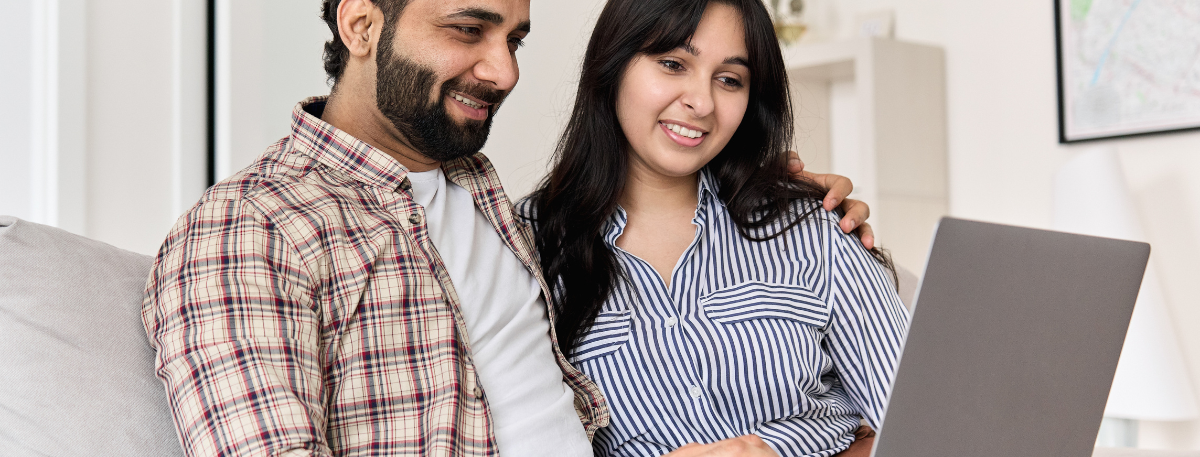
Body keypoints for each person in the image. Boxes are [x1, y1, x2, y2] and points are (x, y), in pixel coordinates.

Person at [142, 0, 874, 455]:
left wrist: (783, 193)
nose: (503, 71)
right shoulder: (249, 230)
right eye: (469, 29)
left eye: (515, 40)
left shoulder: (493, 204)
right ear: (361, 22)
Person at [522, 0, 909, 456]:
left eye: (729, 79)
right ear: (613, 64)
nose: (701, 102)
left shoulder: (812, 226)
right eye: (672, 64)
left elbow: (930, 430)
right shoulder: (526, 246)